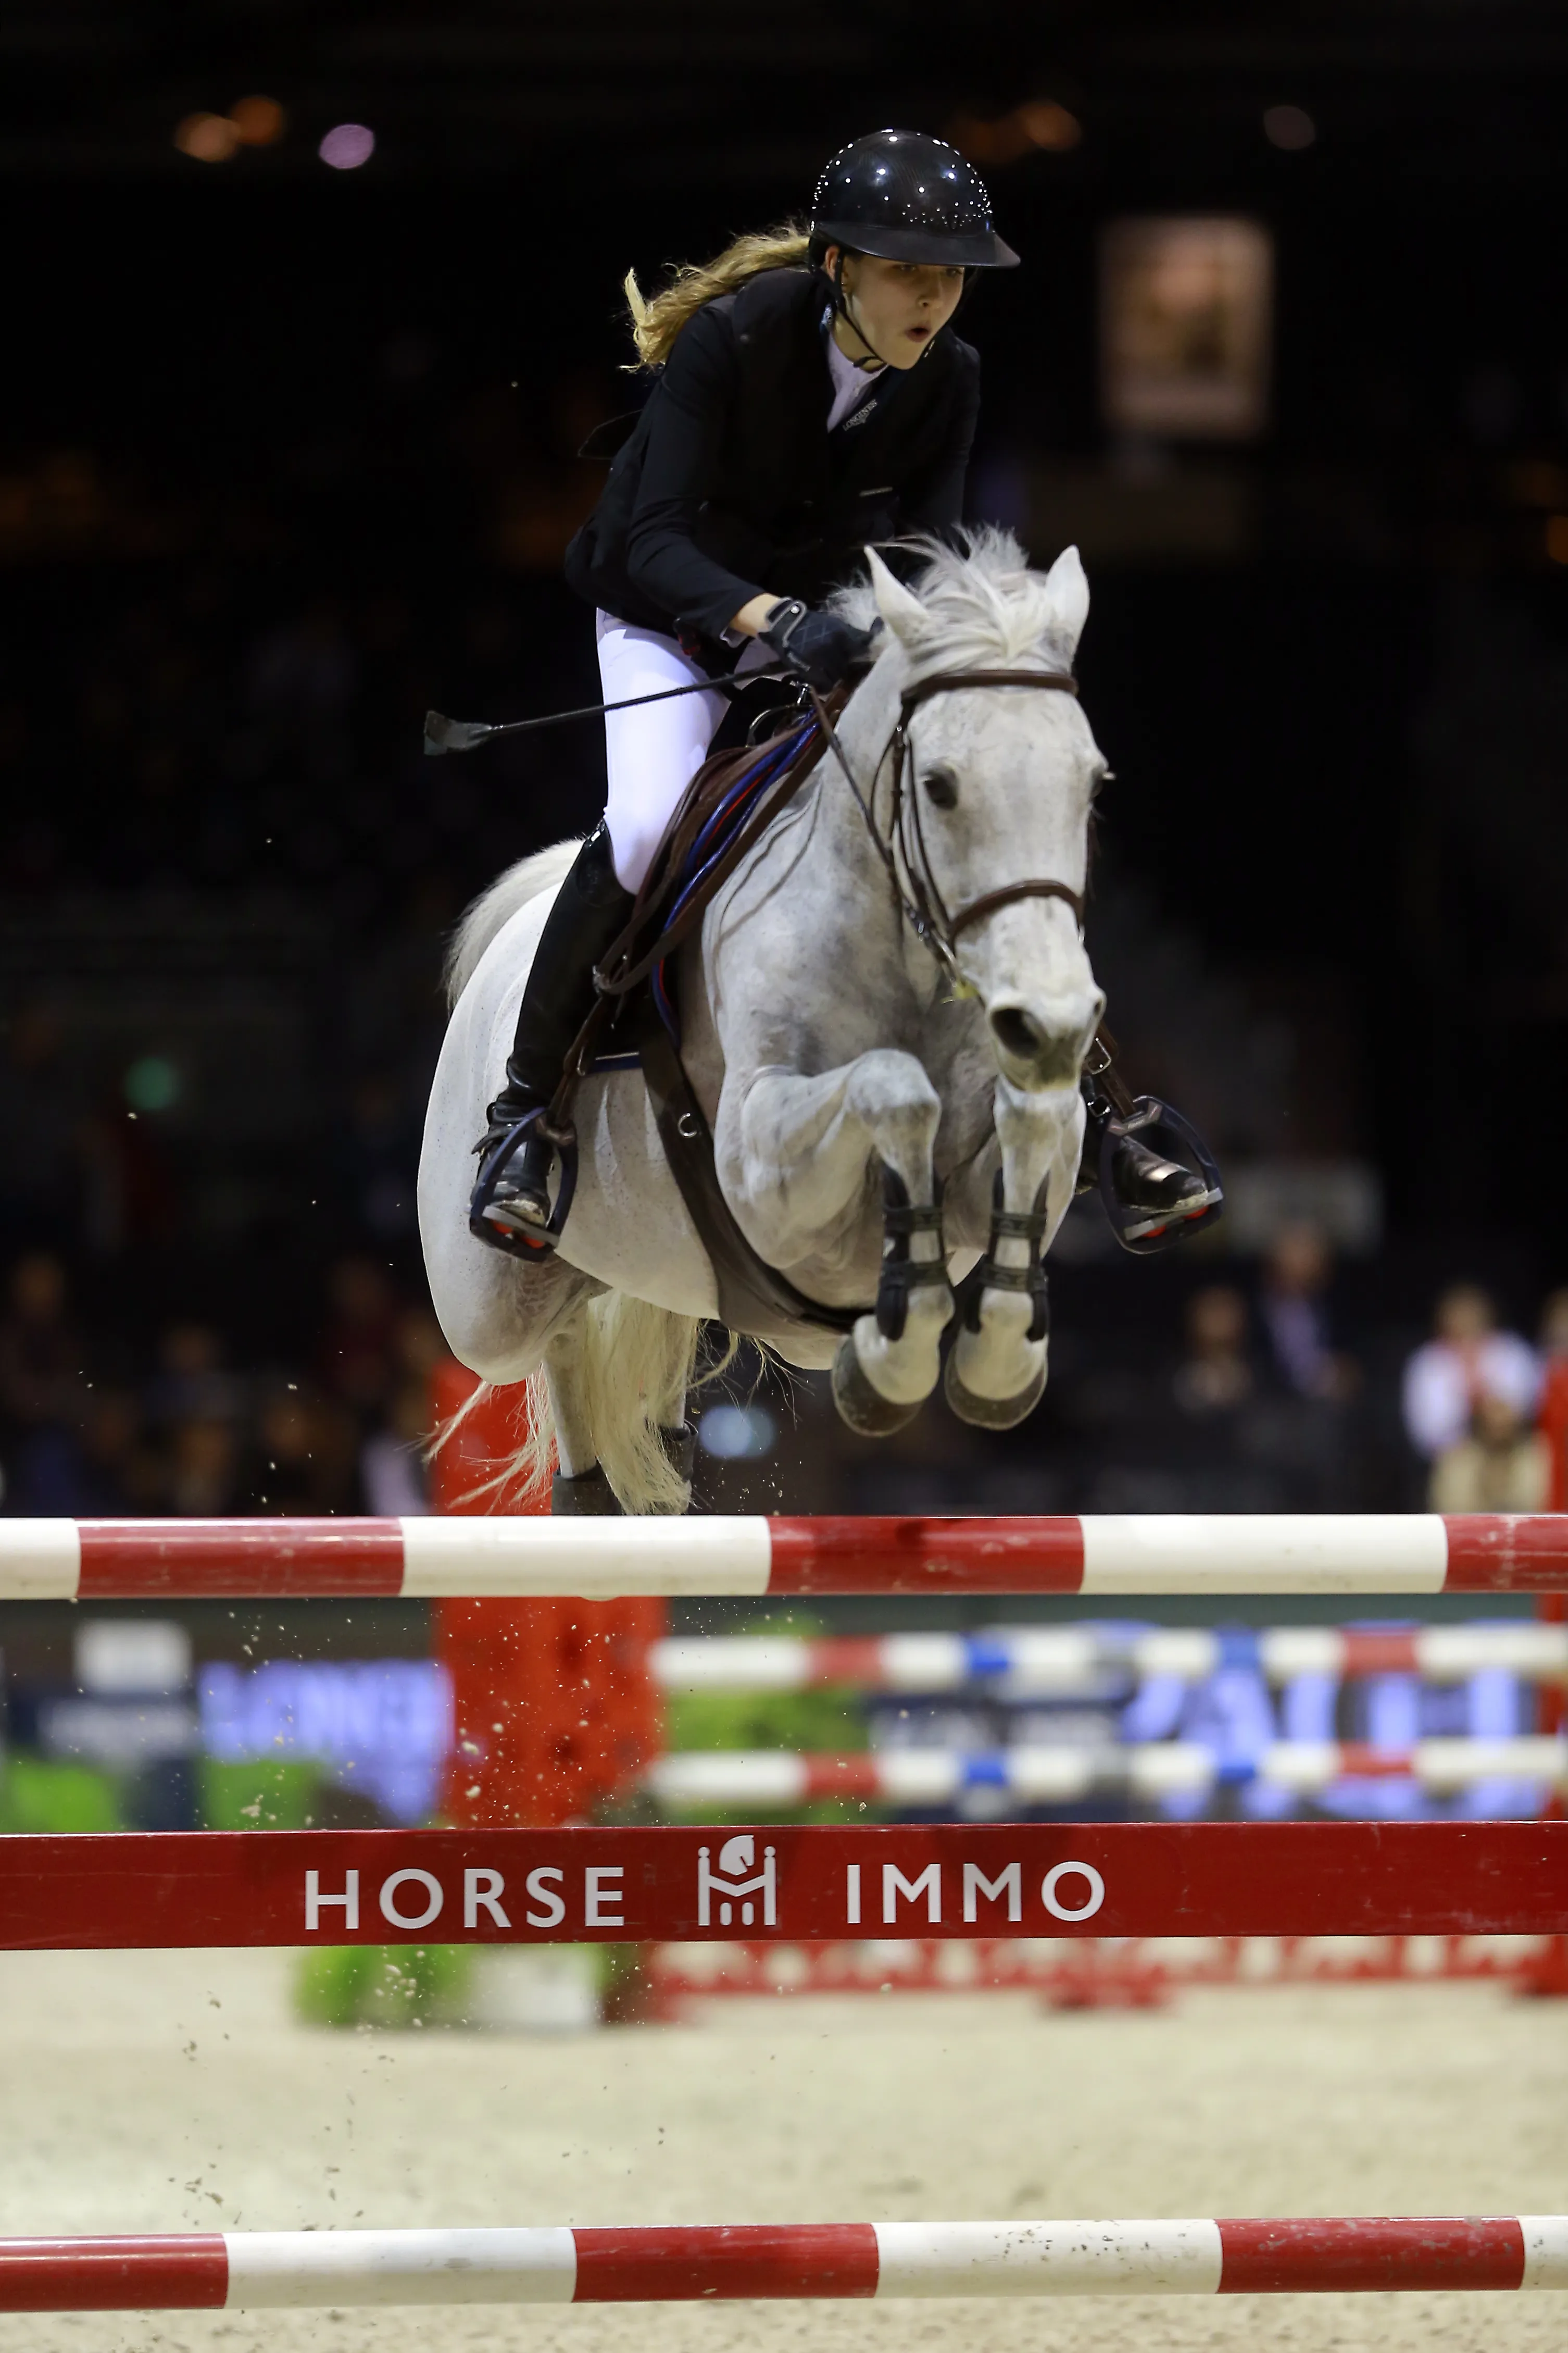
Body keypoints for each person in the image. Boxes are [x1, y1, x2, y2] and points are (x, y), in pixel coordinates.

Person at [470, 128, 1211, 1251]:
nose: (932, 298)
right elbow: (655, 538)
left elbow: (925, 549)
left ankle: (1109, 1121)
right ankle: (525, 1117)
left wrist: (919, 646)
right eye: (907, 271)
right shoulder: (729, 341)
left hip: (823, 628)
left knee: (964, 816)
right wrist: (771, 620)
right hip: (664, 614)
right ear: (835, 269)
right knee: (645, 824)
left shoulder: (947, 378)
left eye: (950, 274)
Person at [1400, 1281, 1539, 1460]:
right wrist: (1469, 1416)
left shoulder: (1511, 1349)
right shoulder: (1428, 1362)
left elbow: (1529, 1407)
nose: (1467, 1330)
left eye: (1474, 1323)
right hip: (1452, 1458)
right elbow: (1426, 1433)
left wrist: (1495, 1415)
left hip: (1513, 1450)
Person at [1428, 1392, 1551, 1514]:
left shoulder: (1537, 1458)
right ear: (1479, 1424)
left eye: (1504, 1424)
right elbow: (1451, 1507)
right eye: (1493, 1423)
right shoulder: (1456, 1461)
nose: (1498, 1428)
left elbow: (1541, 1504)